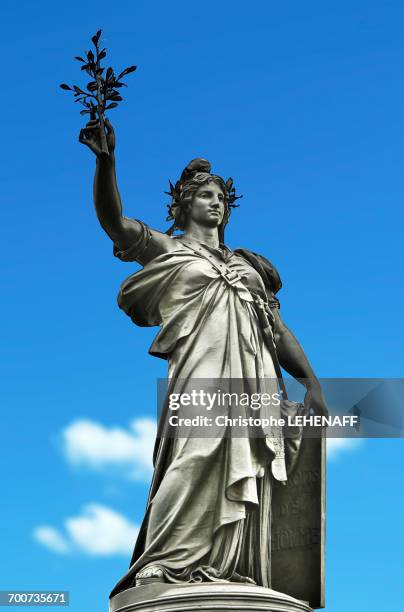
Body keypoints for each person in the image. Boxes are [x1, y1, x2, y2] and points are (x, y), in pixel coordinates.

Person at [79, 119, 328, 597]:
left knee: (250, 461)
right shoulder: (170, 249)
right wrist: (106, 161)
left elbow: (276, 328)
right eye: (206, 195)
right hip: (201, 368)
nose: (216, 203)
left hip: (255, 375)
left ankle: (231, 566)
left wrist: (311, 381)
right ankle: (162, 562)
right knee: (195, 451)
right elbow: (114, 221)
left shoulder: (246, 266)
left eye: (222, 198)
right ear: (184, 205)